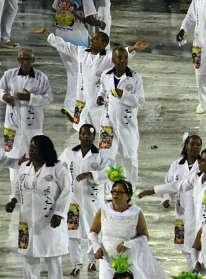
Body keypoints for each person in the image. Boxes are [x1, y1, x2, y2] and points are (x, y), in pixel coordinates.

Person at [35, 26, 148, 130]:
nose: (91, 40)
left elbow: (121, 54)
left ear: (103, 44)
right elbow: (63, 45)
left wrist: (133, 48)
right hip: (83, 100)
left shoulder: (109, 56)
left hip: (100, 102)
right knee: (82, 131)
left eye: (96, 39)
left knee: (104, 130)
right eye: (92, 38)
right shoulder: (81, 52)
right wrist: (45, 33)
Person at [5, 135, 69, 279]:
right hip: (27, 220)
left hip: (49, 220)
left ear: (44, 150)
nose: (30, 150)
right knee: (29, 255)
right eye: (30, 147)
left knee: (52, 255)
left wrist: (59, 213)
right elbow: (17, 189)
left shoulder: (57, 168)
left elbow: (67, 192)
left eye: (34, 148)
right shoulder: (24, 167)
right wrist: (13, 200)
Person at [89, 170, 165, 279]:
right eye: (113, 191)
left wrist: (129, 244)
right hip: (108, 261)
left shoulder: (136, 212)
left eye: (120, 192)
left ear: (128, 195)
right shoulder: (104, 210)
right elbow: (93, 231)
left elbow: (145, 237)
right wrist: (96, 247)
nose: (115, 195)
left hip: (129, 262)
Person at [138, 148, 206, 243]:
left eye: (203, 160)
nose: (199, 162)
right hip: (200, 228)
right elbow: (178, 185)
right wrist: (153, 191)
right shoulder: (197, 177)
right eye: (200, 159)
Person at [58, 123, 111, 278]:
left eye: (89, 134)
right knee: (72, 231)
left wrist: (90, 174)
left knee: (93, 230)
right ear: (79, 135)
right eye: (83, 134)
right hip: (73, 199)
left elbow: (108, 173)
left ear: (94, 137)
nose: (86, 137)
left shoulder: (101, 155)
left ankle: (92, 259)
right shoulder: (69, 152)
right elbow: (59, 168)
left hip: (92, 199)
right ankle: (76, 263)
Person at [0, 49, 53, 183]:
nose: (25, 62)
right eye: (22, 59)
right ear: (18, 61)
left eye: (28, 59)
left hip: (32, 124)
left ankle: (32, 182)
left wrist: (31, 98)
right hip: (13, 123)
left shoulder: (41, 78)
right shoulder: (9, 75)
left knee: (34, 153)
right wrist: (4, 96)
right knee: (12, 154)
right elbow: (1, 89)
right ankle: (15, 188)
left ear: (33, 60)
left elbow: (48, 97)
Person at [96, 47, 145, 184]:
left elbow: (140, 100)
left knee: (129, 157)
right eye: (119, 58)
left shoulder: (135, 77)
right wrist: (100, 96)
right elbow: (103, 90)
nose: (122, 61)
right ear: (113, 59)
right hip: (108, 123)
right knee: (107, 156)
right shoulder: (106, 75)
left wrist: (124, 95)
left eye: (125, 58)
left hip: (127, 124)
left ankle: (130, 186)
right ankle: (110, 187)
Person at [50, 0, 106, 119]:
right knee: (80, 73)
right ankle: (71, 106)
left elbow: (55, 8)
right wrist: (101, 23)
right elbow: (90, 19)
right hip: (77, 38)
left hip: (60, 35)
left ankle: (73, 105)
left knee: (72, 72)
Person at [161, 134, 202, 269]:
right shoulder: (177, 165)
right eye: (192, 144)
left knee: (197, 244)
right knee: (185, 245)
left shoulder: (203, 165)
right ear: (186, 146)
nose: (195, 147)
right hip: (182, 211)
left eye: (198, 145)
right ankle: (193, 273)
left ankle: (198, 273)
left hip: (198, 212)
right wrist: (167, 198)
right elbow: (170, 184)